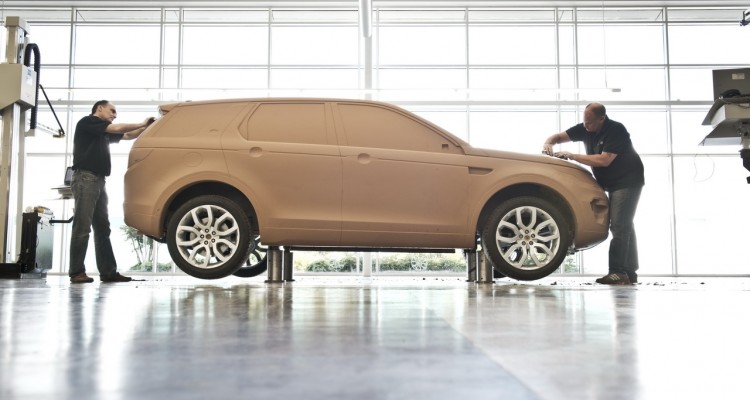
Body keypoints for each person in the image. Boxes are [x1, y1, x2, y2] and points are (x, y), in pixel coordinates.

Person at [543, 103, 644, 285]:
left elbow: (604, 160)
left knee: (619, 226)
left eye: (589, 122)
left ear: (601, 119)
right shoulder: (585, 128)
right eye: (584, 121)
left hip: (627, 181)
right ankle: (629, 272)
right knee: (625, 225)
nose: (586, 126)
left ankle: (618, 272)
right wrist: (549, 142)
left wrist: (572, 156)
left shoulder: (616, 130)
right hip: (609, 182)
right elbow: (558, 136)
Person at [69, 100, 155, 283]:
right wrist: (141, 122)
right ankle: (76, 272)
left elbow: (127, 135)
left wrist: (147, 127)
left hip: (99, 180)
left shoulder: (102, 131)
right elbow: (118, 128)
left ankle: (108, 272)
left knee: (102, 227)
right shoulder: (88, 122)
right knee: (82, 226)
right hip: (86, 178)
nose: (114, 115)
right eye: (112, 111)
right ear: (99, 108)